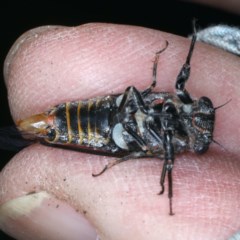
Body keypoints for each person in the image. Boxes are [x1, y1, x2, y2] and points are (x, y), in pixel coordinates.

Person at [0, 20, 239, 240]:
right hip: (108, 108)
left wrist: (160, 188)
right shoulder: (178, 102)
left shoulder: (173, 144)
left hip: (113, 137)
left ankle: (51, 131)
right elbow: (172, 84)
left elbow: (144, 151)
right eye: (202, 108)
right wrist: (194, 40)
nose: (199, 117)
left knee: (146, 141)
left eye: (200, 135)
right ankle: (55, 121)